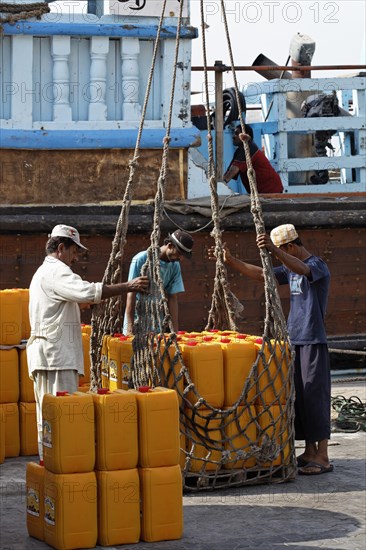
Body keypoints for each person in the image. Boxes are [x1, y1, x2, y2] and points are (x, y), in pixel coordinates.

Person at [209, 224, 332, 475]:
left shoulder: (316, 266)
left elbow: (303, 268)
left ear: (291, 246)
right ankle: (309, 451)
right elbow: (264, 275)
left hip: (312, 341)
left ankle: (323, 456)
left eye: (283, 250)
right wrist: (231, 261)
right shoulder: (291, 268)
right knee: (300, 397)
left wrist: (274, 250)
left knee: (314, 397)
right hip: (294, 339)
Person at [27, 224, 149, 461]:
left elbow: (71, 301)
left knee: (50, 419)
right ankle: (60, 467)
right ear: (61, 248)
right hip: (55, 357)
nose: (75, 258)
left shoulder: (45, 273)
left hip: (50, 355)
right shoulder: (56, 271)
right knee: (60, 417)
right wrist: (128, 286)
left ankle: (52, 465)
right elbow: (86, 292)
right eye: (74, 252)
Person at [123, 229, 194, 335]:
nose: (181, 258)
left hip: (156, 326)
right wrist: (130, 328)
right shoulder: (141, 260)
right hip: (137, 323)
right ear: (170, 245)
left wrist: (175, 332)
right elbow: (131, 294)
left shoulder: (174, 266)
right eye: (179, 254)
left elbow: (173, 298)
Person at [223, 124, 283, 194]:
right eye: (234, 133)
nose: (233, 136)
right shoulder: (240, 151)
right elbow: (228, 172)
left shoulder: (248, 148)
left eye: (237, 133)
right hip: (267, 190)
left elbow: (231, 173)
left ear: (245, 136)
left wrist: (219, 185)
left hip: (271, 191)